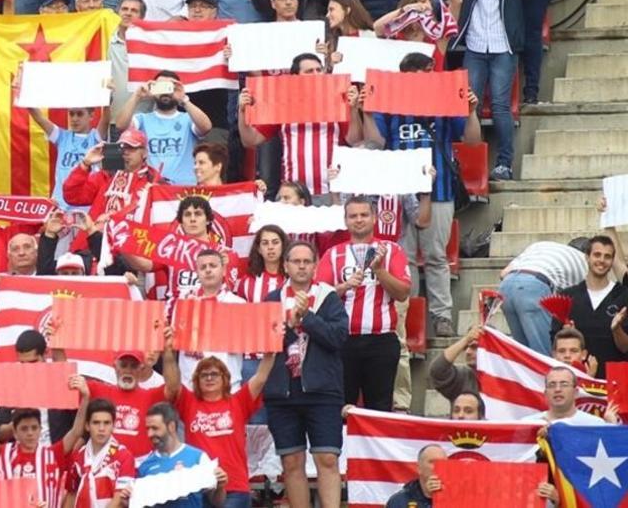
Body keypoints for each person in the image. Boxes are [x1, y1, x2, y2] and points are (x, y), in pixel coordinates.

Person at [366, 52, 482, 337]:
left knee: (435, 256)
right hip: (397, 193)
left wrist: (470, 111)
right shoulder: (389, 105)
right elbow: (375, 141)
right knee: (402, 258)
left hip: (439, 190)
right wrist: (367, 111)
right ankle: (407, 317)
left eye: (425, 78)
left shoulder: (444, 103)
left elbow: (472, 139)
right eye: (413, 79)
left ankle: (441, 316)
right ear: (402, 79)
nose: (419, 84)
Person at [450, 0, 558, 181]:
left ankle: (504, 164)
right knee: (468, 107)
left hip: (503, 49)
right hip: (475, 48)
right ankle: (465, 167)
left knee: (500, 107)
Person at [264, 241, 349, 508]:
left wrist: (307, 318)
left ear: (315, 266)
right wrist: (289, 325)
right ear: (286, 265)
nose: (301, 266)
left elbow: (338, 338)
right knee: (291, 462)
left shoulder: (329, 297)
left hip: (322, 390)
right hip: (282, 391)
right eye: (295, 261)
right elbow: (264, 343)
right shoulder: (272, 299)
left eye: (306, 261)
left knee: (327, 458)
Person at [315, 196, 411, 412]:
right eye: (353, 216)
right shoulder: (333, 254)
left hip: (381, 341)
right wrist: (344, 286)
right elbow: (318, 297)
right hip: (342, 341)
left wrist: (379, 271)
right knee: (340, 408)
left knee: (379, 411)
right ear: (346, 220)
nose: (359, 220)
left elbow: (403, 293)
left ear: (375, 218)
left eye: (364, 215)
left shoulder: (391, 250)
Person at [162, 335, 274, 508]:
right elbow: (172, 384)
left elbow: (260, 378)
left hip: (234, 486)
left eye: (214, 374)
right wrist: (168, 352)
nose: (209, 378)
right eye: (203, 375)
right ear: (196, 381)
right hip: (197, 486)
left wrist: (270, 350)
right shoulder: (189, 402)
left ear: (225, 378)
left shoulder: (238, 401)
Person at [239, 53, 350, 196]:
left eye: (319, 70)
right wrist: (242, 111)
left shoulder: (338, 103)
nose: (316, 74)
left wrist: (354, 109)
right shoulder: (282, 107)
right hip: (293, 196)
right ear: (295, 77)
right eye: (309, 71)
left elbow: (355, 139)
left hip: (332, 192)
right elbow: (249, 140)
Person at [114, 70, 213, 185]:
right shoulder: (142, 119)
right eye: (161, 87)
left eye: (170, 87)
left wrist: (184, 99)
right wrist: (137, 96)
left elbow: (206, 127)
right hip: (152, 188)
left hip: (184, 189)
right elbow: (121, 125)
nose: (166, 92)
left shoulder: (188, 119)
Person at [498, 238, 588, 355]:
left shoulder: (540, 246)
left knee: (524, 356)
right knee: (544, 356)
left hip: (505, 287)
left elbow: (503, 273)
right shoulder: (582, 260)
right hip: (533, 288)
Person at [133, 402, 228, 508]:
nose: (150, 434)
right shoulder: (145, 465)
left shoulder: (198, 458)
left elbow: (217, 502)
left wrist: (220, 487)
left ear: (172, 426)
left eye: (155, 428)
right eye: (148, 429)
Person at [558, 235, 628, 377]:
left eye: (607, 256)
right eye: (597, 255)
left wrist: (616, 329)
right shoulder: (566, 297)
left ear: (612, 261)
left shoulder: (624, 296)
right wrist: (568, 334)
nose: (601, 260)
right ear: (587, 257)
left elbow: (625, 347)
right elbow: (556, 348)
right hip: (578, 381)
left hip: (615, 381)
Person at [63, 129, 162, 222]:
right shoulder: (106, 176)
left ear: (144, 153)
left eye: (131, 148)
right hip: (98, 237)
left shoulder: (154, 181)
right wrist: (85, 164)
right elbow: (72, 196)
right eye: (122, 147)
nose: (125, 152)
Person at [61, 398, 136, 508]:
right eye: (96, 423)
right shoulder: (77, 456)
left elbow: (120, 499)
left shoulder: (124, 456)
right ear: (87, 426)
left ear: (113, 425)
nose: (101, 428)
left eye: (106, 423)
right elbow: (71, 495)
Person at [26, 105, 101, 212]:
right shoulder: (62, 136)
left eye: (79, 114)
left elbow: (106, 121)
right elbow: (39, 118)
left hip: (85, 208)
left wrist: (109, 99)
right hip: (59, 206)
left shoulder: (95, 137)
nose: (74, 119)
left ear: (91, 115)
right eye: (71, 114)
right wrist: (25, 97)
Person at [523, 366, 607, 424]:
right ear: (545, 394)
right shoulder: (529, 424)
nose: (557, 389)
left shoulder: (594, 425)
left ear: (576, 392)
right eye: (552, 385)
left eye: (564, 384)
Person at [429, 325, 480, 402]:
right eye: (466, 347)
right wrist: (466, 340)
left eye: (474, 347)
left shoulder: (501, 379)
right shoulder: (464, 377)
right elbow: (437, 371)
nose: (467, 352)